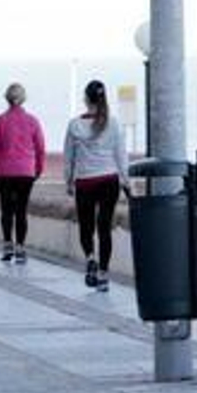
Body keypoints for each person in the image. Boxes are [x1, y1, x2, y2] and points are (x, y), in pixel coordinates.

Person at [64, 79, 129, 292]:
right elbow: (121, 156)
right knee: (104, 228)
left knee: (86, 226)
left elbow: (68, 158)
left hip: (85, 182)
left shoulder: (75, 125)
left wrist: (68, 180)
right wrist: (126, 181)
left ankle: (90, 258)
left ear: (86, 99)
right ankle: (103, 274)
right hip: (109, 180)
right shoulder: (114, 123)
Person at [0, 82, 47, 264]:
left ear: (7, 99)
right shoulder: (33, 121)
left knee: (6, 211)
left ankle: (7, 247)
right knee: (21, 211)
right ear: (23, 98)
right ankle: (20, 248)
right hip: (26, 172)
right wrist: (38, 169)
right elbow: (41, 148)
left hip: (5, 172)